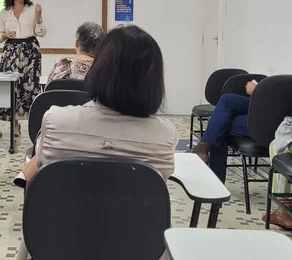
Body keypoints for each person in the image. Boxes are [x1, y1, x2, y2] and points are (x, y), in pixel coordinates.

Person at [16, 25, 178, 260]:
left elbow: (33, 182)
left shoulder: (55, 121)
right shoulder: (164, 136)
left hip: (59, 245)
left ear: (99, 70)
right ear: (153, 81)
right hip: (134, 249)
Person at [0, 0, 47, 136]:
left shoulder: (32, 9)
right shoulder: (5, 12)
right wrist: (4, 35)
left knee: (29, 88)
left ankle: (33, 124)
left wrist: (39, 17)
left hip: (30, 53)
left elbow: (41, 32)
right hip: (11, 52)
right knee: (11, 88)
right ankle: (14, 123)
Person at [188, 82, 257, 182]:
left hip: (274, 121)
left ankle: (215, 183)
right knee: (227, 100)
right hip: (265, 107)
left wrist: (256, 90)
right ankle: (203, 148)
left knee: (220, 126)